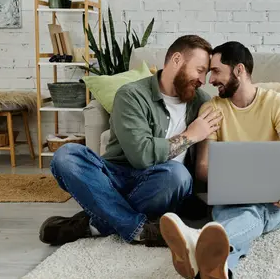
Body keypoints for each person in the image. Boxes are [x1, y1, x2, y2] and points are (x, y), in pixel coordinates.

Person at [39, 35, 222, 247]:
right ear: (177, 60)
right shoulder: (132, 95)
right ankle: (140, 229)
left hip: (163, 186)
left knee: (177, 175)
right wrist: (190, 135)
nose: (203, 80)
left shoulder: (202, 102)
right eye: (199, 70)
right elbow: (141, 156)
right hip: (118, 177)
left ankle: (93, 223)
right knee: (67, 155)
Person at [159, 41, 280, 279]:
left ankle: (196, 241)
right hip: (230, 199)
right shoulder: (212, 109)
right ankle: (220, 272)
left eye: (216, 71)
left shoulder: (277, 104)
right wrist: (242, 184)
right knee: (247, 215)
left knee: (255, 212)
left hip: (276, 202)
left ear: (238, 70)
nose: (210, 80)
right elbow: (203, 168)